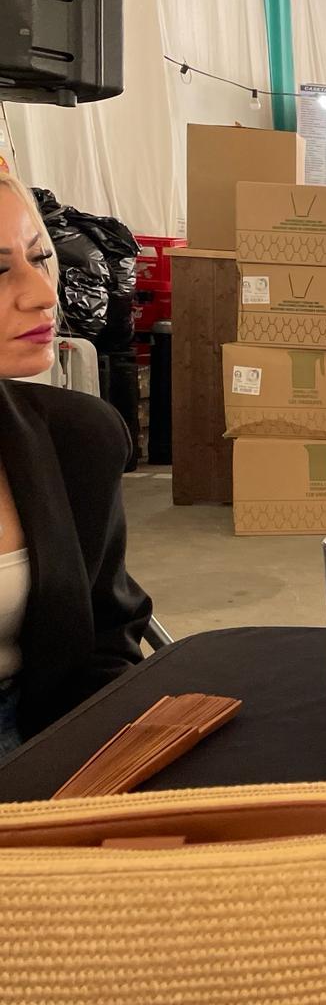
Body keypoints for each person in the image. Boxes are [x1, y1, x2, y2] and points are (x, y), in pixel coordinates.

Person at [0, 172, 151, 753]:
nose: (42, 294)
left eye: (40, 259)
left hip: (45, 754)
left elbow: (104, 645)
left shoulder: (77, 440)